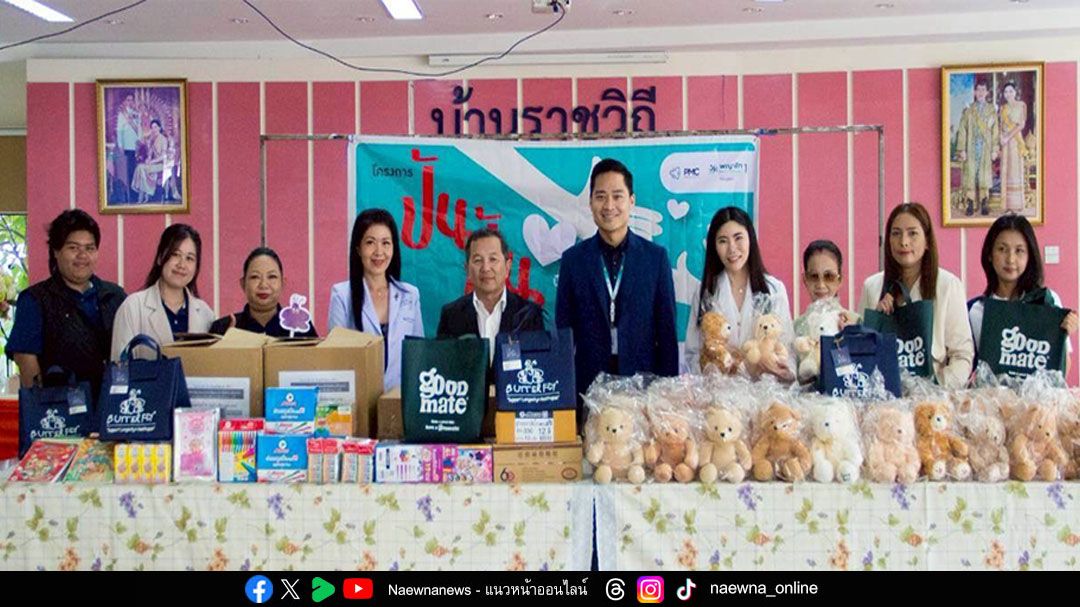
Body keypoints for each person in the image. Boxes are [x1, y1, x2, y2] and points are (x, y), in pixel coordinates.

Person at [556, 158, 678, 405]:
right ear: (590, 202)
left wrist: (667, 398)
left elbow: (667, 333)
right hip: (588, 388)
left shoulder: (655, 259)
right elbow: (563, 334)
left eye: (617, 196)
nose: (609, 205)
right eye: (600, 197)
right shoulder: (573, 261)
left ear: (631, 201)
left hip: (642, 389)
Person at [6, 210, 126, 396]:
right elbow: (25, 358)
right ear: (56, 251)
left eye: (90, 248)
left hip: (111, 403)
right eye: (73, 248)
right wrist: (42, 404)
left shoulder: (115, 296)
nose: (82, 255)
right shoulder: (34, 299)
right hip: (59, 405)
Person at [857, 202, 974, 388]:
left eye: (912, 233)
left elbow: (962, 355)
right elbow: (860, 353)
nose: (903, 242)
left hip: (935, 396)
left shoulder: (948, 285)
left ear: (927, 241)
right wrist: (875, 324)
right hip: (884, 397)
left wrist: (937, 389)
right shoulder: (872, 287)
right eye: (896, 233)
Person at [684, 206, 795, 377]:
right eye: (723, 241)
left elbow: (787, 349)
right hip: (720, 391)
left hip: (764, 390)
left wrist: (777, 368)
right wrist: (715, 368)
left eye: (738, 238)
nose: (732, 249)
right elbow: (693, 353)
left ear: (751, 238)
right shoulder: (705, 291)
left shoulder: (774, 290)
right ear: (714, 247)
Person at [328, 209, 423, 391]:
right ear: (358, 248)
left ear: (394, 248)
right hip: (358, 396)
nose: (379, 252)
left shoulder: (410, 295)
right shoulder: (341, 295)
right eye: (370, 242)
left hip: (400, 397)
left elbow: (418, 355)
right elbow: (336, 357)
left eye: (386, 243)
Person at [968, 214, 1077, 366]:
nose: (1010, 259)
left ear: (1029, 256)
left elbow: (1060, 370)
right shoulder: (974, 310)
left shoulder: (1047, 301)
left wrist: (1062, 335)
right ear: (989, 254)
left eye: (1019, 250)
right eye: (1002, 249)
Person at [436, 227, 544, 361]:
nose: (486, 268)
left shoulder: (529, 314)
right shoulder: (451, 315)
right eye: (478, 260)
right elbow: (444, 365)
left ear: (507, 267)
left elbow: (538, 364)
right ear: (467, 269)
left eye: (493, 259)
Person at [111, 224, 215, 359]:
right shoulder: (132, 307)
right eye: (175, 254)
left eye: (189, 258)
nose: (182, 265)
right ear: (160, 258)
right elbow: (119, 365)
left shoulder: (206, 313)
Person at [210, 247, 318, 338]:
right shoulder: (221, 328)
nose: (263, 285)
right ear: (243, 284)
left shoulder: (300, 327)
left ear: (282, 283)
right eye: (255, 277)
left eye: (272, 276)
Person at [954, 79, 999, 217]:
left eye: (983, 90)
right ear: (974, 92)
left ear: (987, 92)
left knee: (984, 175)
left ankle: (984, 202)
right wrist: (962, 149)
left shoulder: (991, 110)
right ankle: (970, 203)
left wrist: (994, 149)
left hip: (985, 147)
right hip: (971, 147)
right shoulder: (969, 110)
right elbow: (962, 129)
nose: (980, 92)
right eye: (978, 89)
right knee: (971, 175)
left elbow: (995, 131)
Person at [795, 239, 857, 327]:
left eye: (829, 276)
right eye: (814, 276)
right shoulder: (796, 327)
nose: (821, 285)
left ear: (840, 280)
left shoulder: (856, 323)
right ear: (805, 280)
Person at [999, 81, 1028, 213]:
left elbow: (1021, 125)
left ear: (1015, 92)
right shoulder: (1003, 108)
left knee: (1015, 171)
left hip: (1015, 141)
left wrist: (1007, 137)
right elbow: (1000, 125)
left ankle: (1016, 205)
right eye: (1006, 92)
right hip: (1005, 143)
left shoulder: (1021, 105)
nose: (1008, 94)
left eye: (1011, 91)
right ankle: (1007, 205)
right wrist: (1001, 137)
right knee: (1006, 170)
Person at [131, 119, 168, 203]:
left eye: (155, 127)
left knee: (141, 168)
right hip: (153, 164)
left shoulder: (163, 139)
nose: (154, 129)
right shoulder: (152, 139)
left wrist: (152, 161)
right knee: (140, 167)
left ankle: (142, 196)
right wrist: (148, 159)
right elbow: (150, 154)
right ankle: (145, 195)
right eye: (152, 127)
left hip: (161, 165)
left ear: (159, 128)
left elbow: (163, 156)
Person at [115, 93, 140, 200]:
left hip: (136, 147)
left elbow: (139, 130)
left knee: (136, 170)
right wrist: (121, 145)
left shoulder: (137, 114)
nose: (130, 102)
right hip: (127, 147)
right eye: (128, 100)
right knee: (129, 171)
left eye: (131, 100)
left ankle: (136, 193)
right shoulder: (122, 115)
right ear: (125, 102)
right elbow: (119, 131)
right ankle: (130, 194)